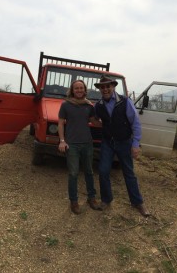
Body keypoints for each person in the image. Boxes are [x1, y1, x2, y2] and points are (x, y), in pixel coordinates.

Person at [94, 76, 150, 217]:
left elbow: (135, 123)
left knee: (129, 173)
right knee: (103, 171)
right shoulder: (98, 105)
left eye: (108, 86)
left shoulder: (125, 101)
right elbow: (95, 119)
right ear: (100, 89)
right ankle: (106, 200)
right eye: (102, 87)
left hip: (125, 142)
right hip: (108, 142)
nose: (105, 89)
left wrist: (135, 144)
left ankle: (137, 202)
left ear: (113, 87)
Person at [58, 80, 102, 215]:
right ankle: (74, 201)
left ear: (84, 90)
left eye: (81, 88)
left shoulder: (89, 106)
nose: (79, 90)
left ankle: (92, 198)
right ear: (72, 90)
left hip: (87, 143)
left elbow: (95, 122)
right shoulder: (65, 105)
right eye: (76, 88)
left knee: (89, 171)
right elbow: (60, 124)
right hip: (72, 145)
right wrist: (62, 141)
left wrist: (105, 120)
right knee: (73, 173)